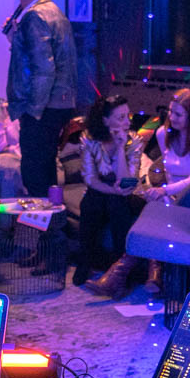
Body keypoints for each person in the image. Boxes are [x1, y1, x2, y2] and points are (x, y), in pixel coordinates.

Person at [6, 0, 77, 197]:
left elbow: (43, 69)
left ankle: (41, 218)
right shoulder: (56, 12)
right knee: (47, 168)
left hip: (43, 105)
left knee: (34, 171)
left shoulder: (34, 16)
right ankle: (52, 215)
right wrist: (16, 40)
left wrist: (33, 111)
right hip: (60, 102)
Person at [75, 96, 144, 293]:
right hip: (101, 191)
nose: (127, 122)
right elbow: (90, 178)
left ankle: (120, 274)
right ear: (105, 120)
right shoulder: (89, 139)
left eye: (127, 116)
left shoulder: (134, 140)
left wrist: (120, 148)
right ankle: (85, 262)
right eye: (120, 118)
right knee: (91, 201)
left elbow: (128, 183)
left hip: (129, 195)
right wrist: (113, 190)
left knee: (116, 203)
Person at [142, 88, 190, 203]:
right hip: (170, 196)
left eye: (178, 114)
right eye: (170, 111)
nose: (172, 117)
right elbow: (168, 172)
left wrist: (165, 190)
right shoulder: (162, 133)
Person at [0, 101, 23, 198]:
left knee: (4, 162)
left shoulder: (35, 117)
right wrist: (1, 119)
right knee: (3, 162)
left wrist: (10, 149)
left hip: (30, 160)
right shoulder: (10, 120)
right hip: (14, 160)